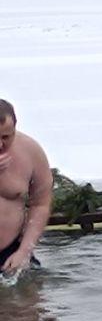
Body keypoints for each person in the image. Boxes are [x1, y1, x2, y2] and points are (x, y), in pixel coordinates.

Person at [0, 102, 53, 278]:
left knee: (29, 303)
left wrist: (24, 251)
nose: (0, 145)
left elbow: (40, 204)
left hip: (10, 250)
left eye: (6, 137)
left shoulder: (30, 151)